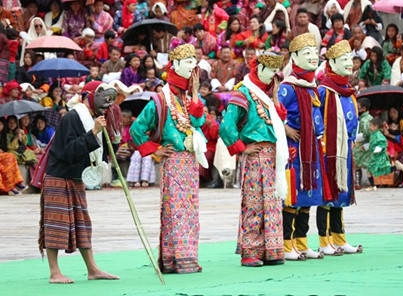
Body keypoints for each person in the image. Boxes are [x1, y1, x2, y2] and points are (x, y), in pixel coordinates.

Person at [130, 44, 205, 274]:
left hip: (190, 162)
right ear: (176, 65)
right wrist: (155, 150)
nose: (194, 66)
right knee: (176, 210)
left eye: (195, 61)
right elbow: (136, 130)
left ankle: (182, 257)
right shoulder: (161, 100)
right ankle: (180, 259)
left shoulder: (190, 95)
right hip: (173, 161)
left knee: (188, 210)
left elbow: (199, 123)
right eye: (189, 62)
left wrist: (194, 92)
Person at [38, 81, 120, 283]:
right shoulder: (73, 117)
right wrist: (93, 133)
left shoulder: (96, 119)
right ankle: (54, 272)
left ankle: (92, 269)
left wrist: (114, 139)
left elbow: (101, 154)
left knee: (83, 224)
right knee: (56, 224)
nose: (106, 106)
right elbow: (68, 151)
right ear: (88, 96)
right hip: (59, 176)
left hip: (76, 177)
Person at [219, 51, 287, 266]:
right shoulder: (244, 92)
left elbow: (277, 120)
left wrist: (275, 97)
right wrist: (242, 147)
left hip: (272, 155)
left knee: (273, 202)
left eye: (277, 70)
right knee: (254, 203)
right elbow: (227, 126)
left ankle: (271, 249)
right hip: (256, 156)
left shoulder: (268, 94)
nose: (275, 75)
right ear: (260, 69)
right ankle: (251, 251)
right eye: (272, 70)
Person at [278, 33, 326, 260]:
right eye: (307, 53)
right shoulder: (287, 87)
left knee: (309, 197)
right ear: (294, 57)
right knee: (293, 196)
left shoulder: (311, 86)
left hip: (312, 146)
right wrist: (286, 129)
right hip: (294, 147)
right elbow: (274, 113)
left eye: (315, 52)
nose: (313, 57)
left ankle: (302, 242)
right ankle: (287, 245)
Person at [317, 39, 362, 255]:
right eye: (344, 59)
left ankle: (340, 238)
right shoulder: (325, 90)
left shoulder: (348, 90)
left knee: (341, 194)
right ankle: (324, 241)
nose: (349, 63)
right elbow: (319, 119)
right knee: (328, 194)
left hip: (347, 149)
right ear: (332, 63)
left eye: (350, 59)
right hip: (329, 150)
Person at [364, 117, 392, 191]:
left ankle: (373, 185)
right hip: (374, 155)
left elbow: (383, 142)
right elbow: (372, 144)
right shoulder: (373, 134)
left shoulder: (378, 135)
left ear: (376, 126)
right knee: (370, 170)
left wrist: (378, 149)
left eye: (371, 126)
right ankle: (373, 185)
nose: (370, 127)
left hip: (378, 156)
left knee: (380, 169)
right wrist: (366, 147)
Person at [353, 97, 373, 189]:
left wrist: (356, 139)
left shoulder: (365, 120)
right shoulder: (369, 118)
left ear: (364, 108)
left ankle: (357, 182)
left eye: (358, 106)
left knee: (355, 161)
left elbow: (366, 134)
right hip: (368, 143)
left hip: (365, 144)